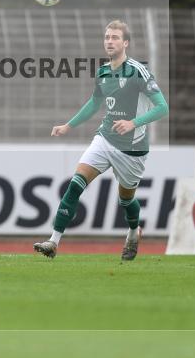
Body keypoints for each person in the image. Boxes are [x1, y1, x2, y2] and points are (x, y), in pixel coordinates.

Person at [33, 20, 169, 261]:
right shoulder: (103, 72)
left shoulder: (139, 71)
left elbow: (162, 108)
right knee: (75, 184)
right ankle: (53, 241)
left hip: (133, 149)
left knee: (126, 201)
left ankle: (133, 231)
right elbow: (94, 103)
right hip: (105, 139)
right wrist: (69, 125)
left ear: (125, 43)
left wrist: (133, 123)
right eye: (107, 37)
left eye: (115, 37)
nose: (110, 41)